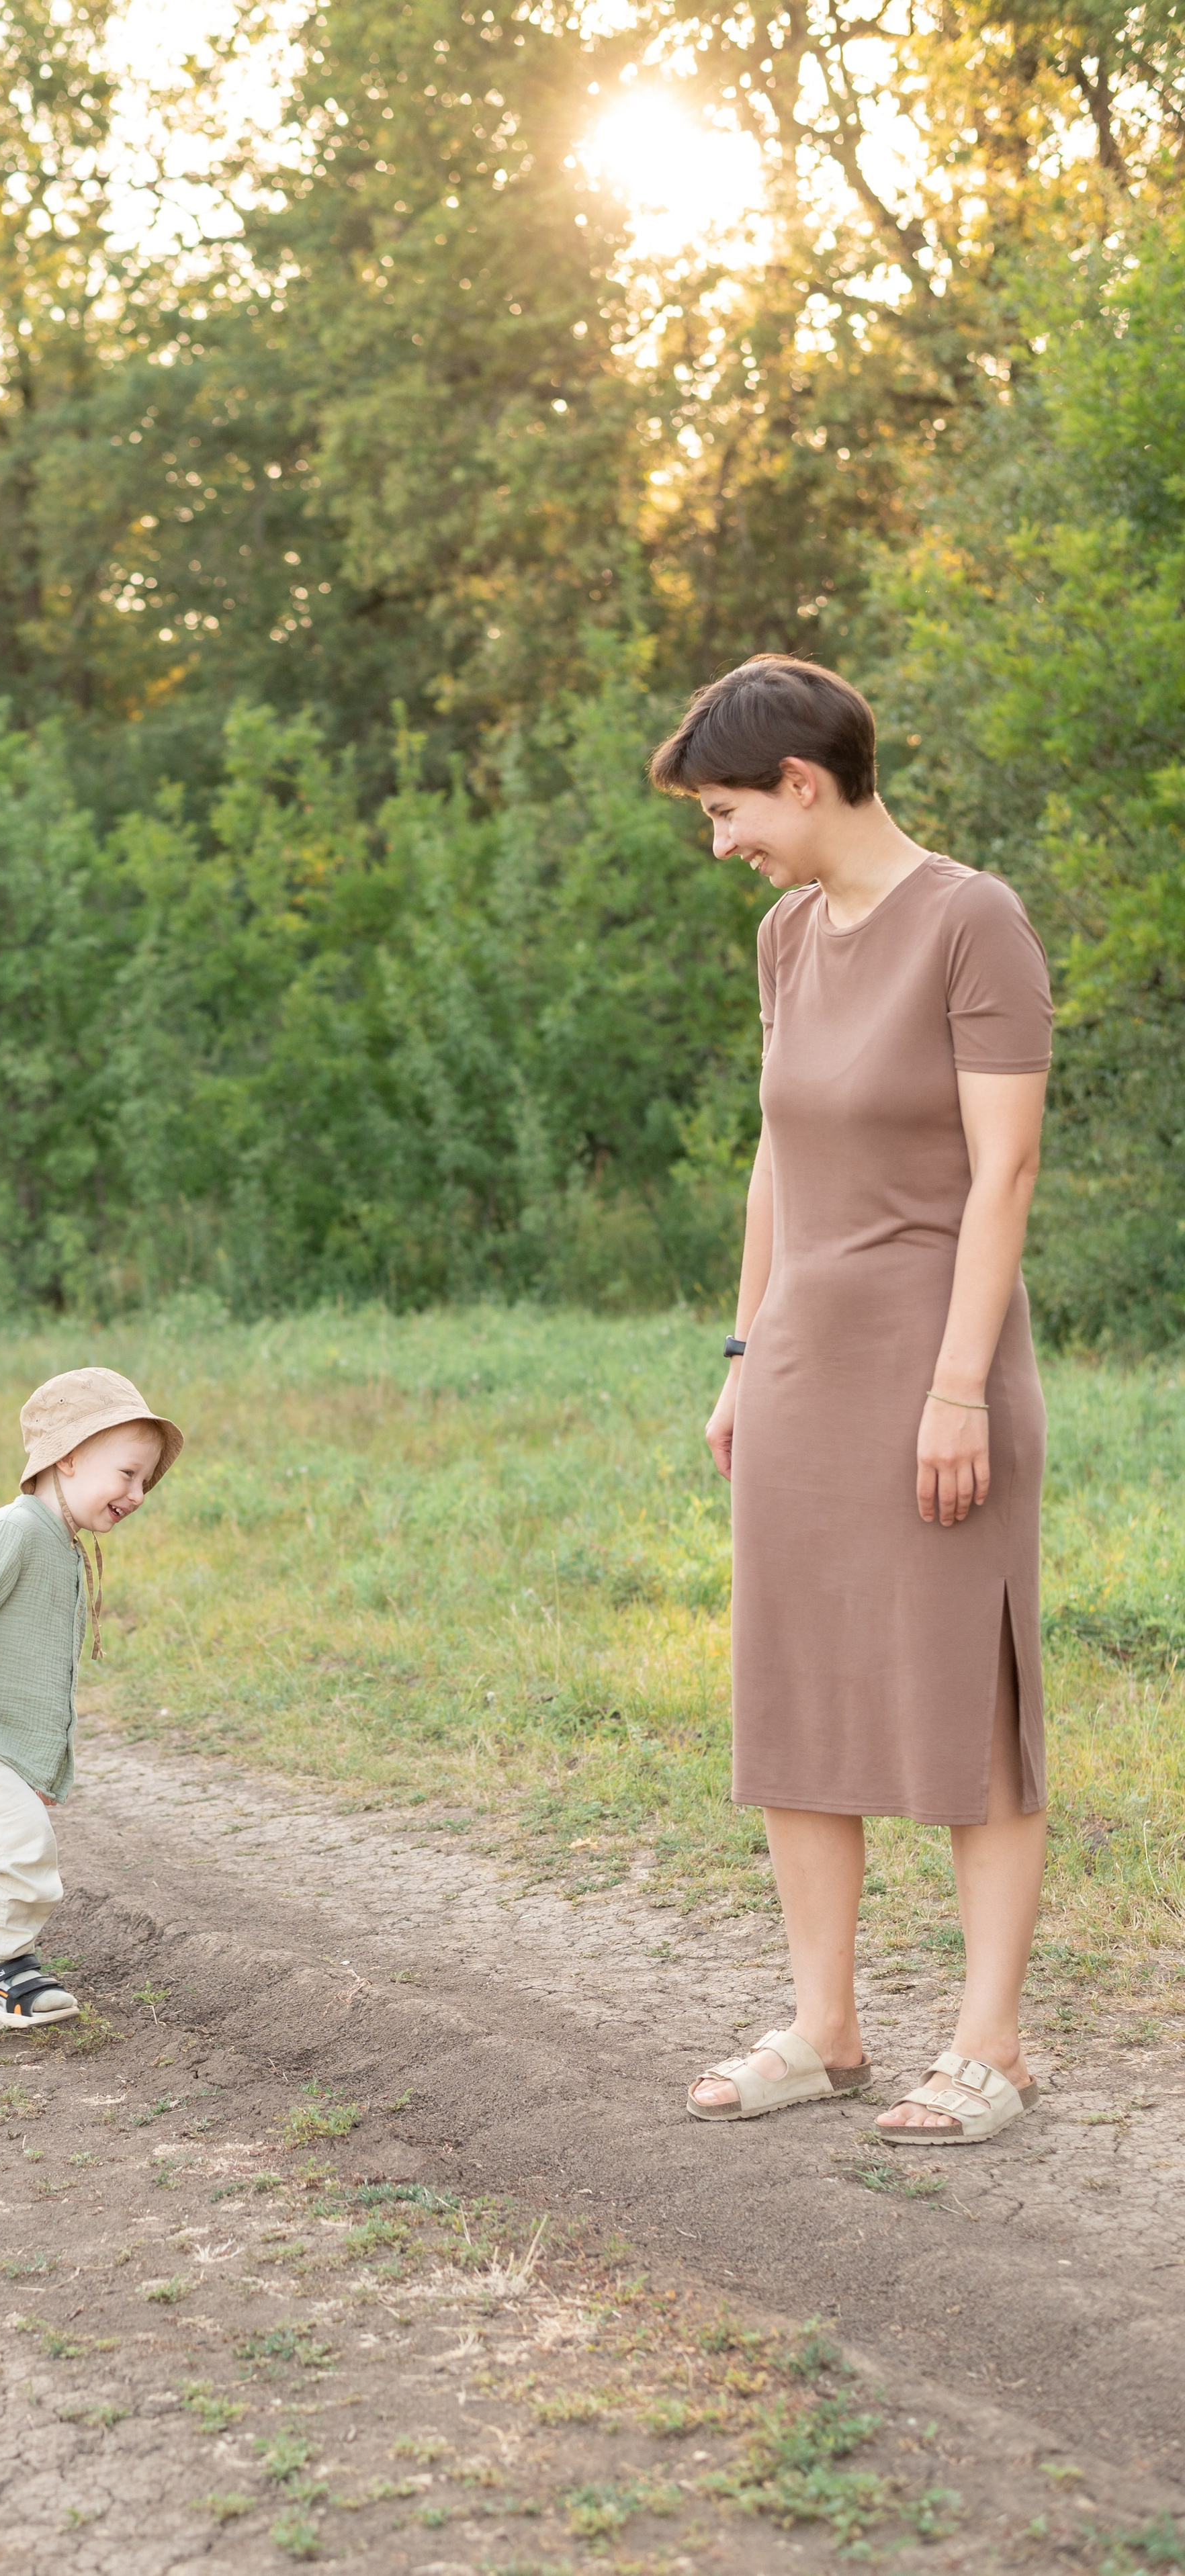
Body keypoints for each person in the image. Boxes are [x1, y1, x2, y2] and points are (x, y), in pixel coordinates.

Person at [650, 656, 1053, 2145]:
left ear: (801, 786)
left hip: (939, 1360)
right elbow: (774, 1154)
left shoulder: (971, 920)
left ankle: (989, 2049)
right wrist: (746, 1354)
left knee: (965, 1703)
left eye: (726, 809)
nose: (722, 841)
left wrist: (956, 1393)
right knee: (795, 1688)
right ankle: (823, 2031)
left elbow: (1001, 1169)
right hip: (805, 1362)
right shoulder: (781, 935)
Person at [0, 1366, 183, 2036]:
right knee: (21, 1850)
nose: (138, 1493)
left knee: (1, 1857)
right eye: (128, 1474)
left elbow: (34, 1673)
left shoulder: (57, 1543)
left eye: (146, 1482)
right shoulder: (16, 1529)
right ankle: (3, 1967)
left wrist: (34, 1769)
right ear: (70, 1456)